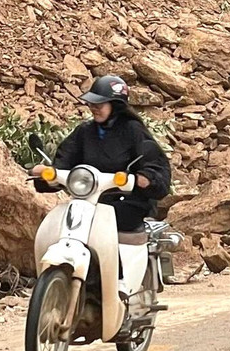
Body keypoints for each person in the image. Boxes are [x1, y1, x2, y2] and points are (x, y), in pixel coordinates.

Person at [30, 75, 172, 235]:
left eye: (100, 103)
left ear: (116, 105)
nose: (94, 107)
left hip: (126, 205)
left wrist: (146, 179)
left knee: (106, 222)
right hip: (87, 202)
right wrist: (48, 175)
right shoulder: (85, 131)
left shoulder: (133, 130)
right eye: (92, 103)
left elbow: (157, 168)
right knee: (59, 224)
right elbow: (64, 162)